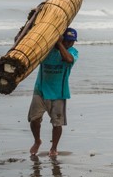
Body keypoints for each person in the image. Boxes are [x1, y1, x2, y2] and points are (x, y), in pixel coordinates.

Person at [29, 28, 78, 157]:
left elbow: (68, 59)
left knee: (57, 123)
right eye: (66, 41)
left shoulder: (73, 52)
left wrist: (59, 44)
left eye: (71, 41)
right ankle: (37, 141)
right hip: (40, 90)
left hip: (59, 93)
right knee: (34, 119)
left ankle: (53, 147)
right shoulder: (47, 50)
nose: (69, 44)